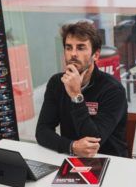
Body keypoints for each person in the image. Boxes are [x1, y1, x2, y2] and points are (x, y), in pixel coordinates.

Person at [35, 21, 128, 157]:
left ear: (95, 55)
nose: (73, 54)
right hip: (71, 158)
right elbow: (42, 131)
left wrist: (76, 96)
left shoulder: (113, 90)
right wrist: (71, 146)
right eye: (68, 48)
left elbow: (93, 142)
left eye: (80, 48)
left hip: (109, 161)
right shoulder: (57, 83)